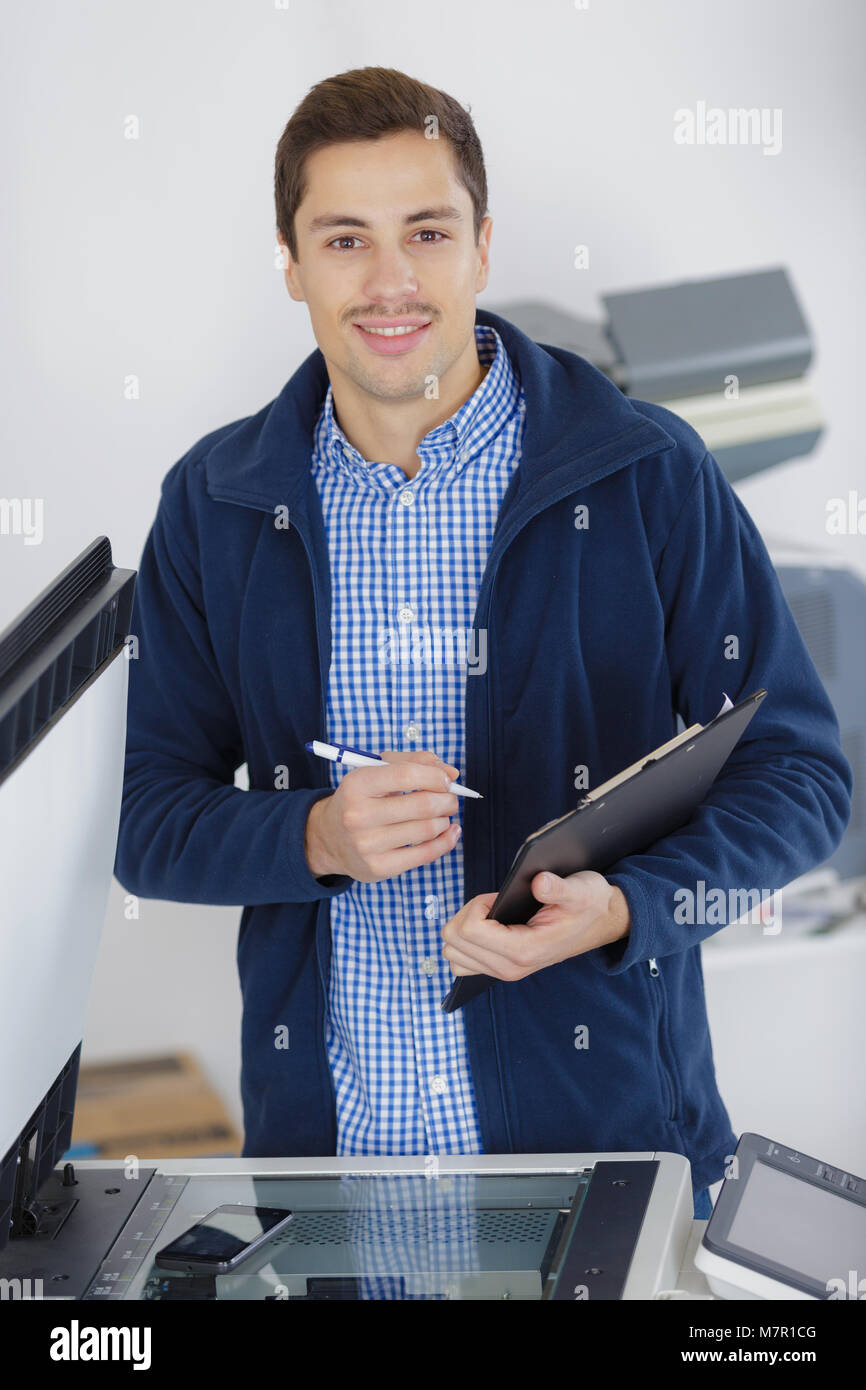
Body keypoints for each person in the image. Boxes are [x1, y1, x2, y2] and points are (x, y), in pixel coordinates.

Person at [114, 66, 852, 1222]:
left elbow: (802, 777)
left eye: (426, 231)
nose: (391, 280)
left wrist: (624, 907)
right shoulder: (214, 502)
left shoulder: (645, 471)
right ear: (291, 260)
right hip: (327, 1190)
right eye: (345, 238)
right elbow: (146, 820)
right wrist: (311, 833)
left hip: (601, 1159)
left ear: (483, 245)